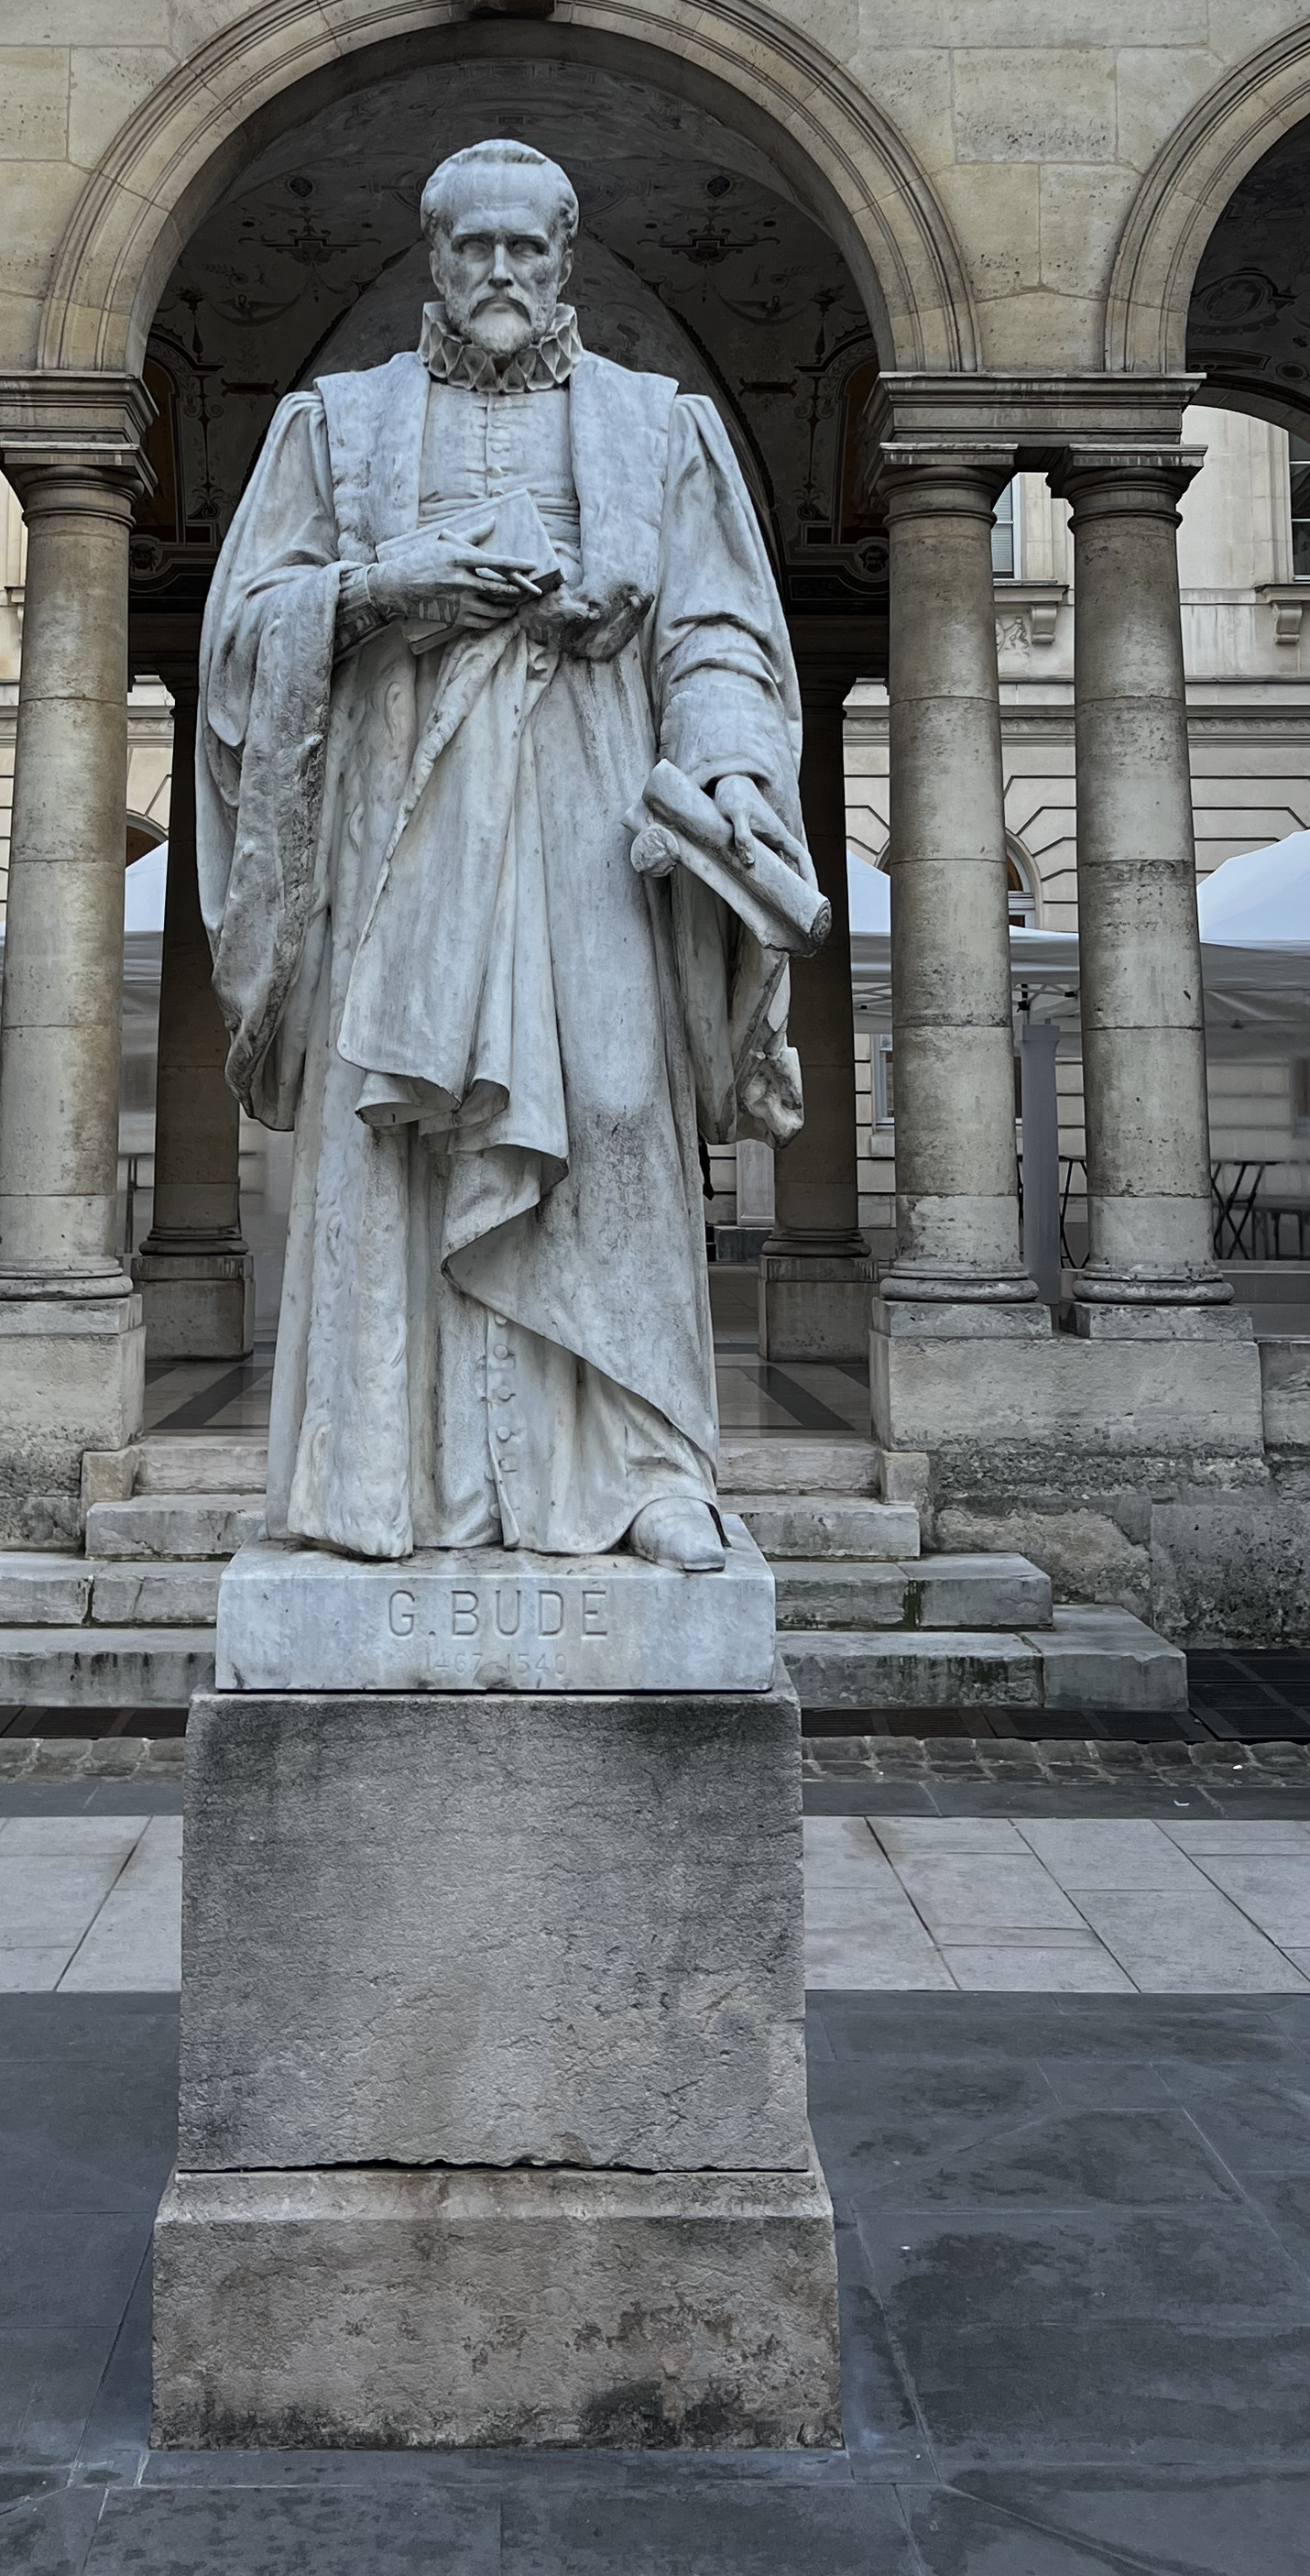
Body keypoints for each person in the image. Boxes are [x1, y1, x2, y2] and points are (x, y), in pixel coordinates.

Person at [197, 137, 820, 1568]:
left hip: (593, 824)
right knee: (397, 1142)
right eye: (470, 247)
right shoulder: (334, 426)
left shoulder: (658, 428)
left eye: (522, 250)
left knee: (610, 1112)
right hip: (399, 840)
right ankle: (385, 1482)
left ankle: (645, 1468)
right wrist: (373, 591)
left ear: (566, 255)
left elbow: (718, 631)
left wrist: (727, 768)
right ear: (432, 257)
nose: (496, 273)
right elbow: (242, 642)